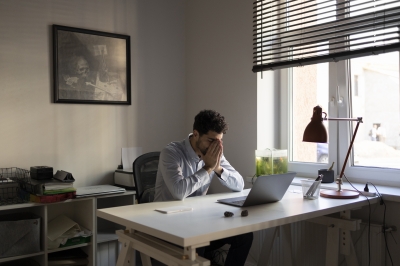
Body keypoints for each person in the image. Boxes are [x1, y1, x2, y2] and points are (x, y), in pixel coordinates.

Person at [154, 109, 253, 266]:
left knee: (244, 236)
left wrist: (218, 168)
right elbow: (179, 192)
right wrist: (207, 168)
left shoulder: (212, 154)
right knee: (197, 245)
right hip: (169, 227)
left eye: (219, 141)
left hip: (197, 223)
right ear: (196, 134)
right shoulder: (171, 152)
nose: (216, 146)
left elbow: (239, 184)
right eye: (211, 140)